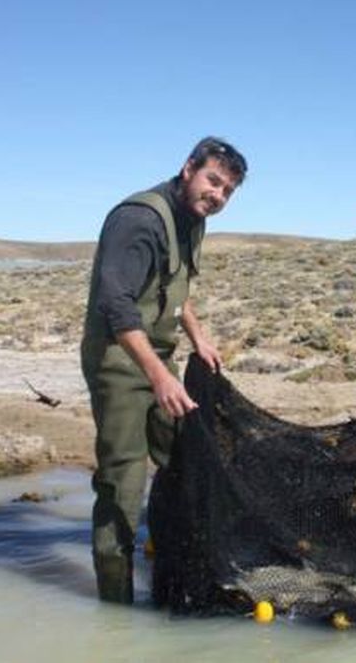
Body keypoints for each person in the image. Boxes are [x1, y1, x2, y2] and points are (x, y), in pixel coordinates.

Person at [81, 136, 247, 603]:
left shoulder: (194, 218)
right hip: (118, 361)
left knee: (181, 454)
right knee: (122, 481)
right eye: (213, 181)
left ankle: (170, 558)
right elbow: (115, 306)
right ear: (188, 168)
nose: (217, 195)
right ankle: (115, 609)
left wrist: (198, 338)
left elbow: (177, 286)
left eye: (227, 191)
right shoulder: (139, 219)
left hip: (158, 355)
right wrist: (158, 377)